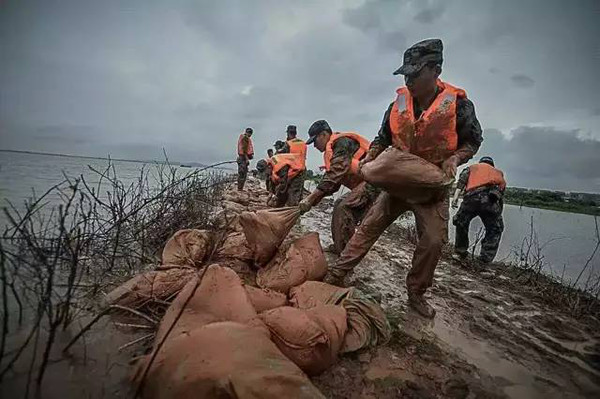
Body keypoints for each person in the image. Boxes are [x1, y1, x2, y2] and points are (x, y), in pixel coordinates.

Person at [324, 39, 483, 318]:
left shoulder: (459, 106)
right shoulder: (397, 104)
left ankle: (416, 293)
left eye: (415, 73)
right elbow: (382, 137)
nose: (409, 80)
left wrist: (455, 158)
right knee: (369, 227)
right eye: (405, 74)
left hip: (431, 188)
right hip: (398, 185)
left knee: (433, 242)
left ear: (435, 69)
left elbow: (473, 141)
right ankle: (338, 273)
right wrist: (371, 157)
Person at [299, 120, 378, 254]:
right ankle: (341, 247)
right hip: (366, 183)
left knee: (343, 207)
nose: (314, 146)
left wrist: (310, 198)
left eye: (315, 141)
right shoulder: (333, 151)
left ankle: (346, 252)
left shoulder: (341, 143)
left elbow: (335, 173)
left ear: (323, 135)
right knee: (340, 205)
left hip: (376, 182)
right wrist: (313, 202)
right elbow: (333, 185)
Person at [451, 156, 506, 263]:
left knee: (461, 222)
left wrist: (455, 198)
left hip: (472, 198)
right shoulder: (498, 173)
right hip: (491, 201)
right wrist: (498, 214)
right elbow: (501, 194)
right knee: (495, 229)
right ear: (492, 165)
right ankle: (484, 260)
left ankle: (460, 252)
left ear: (481, 162)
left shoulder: (472, 168)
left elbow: (461, 183)